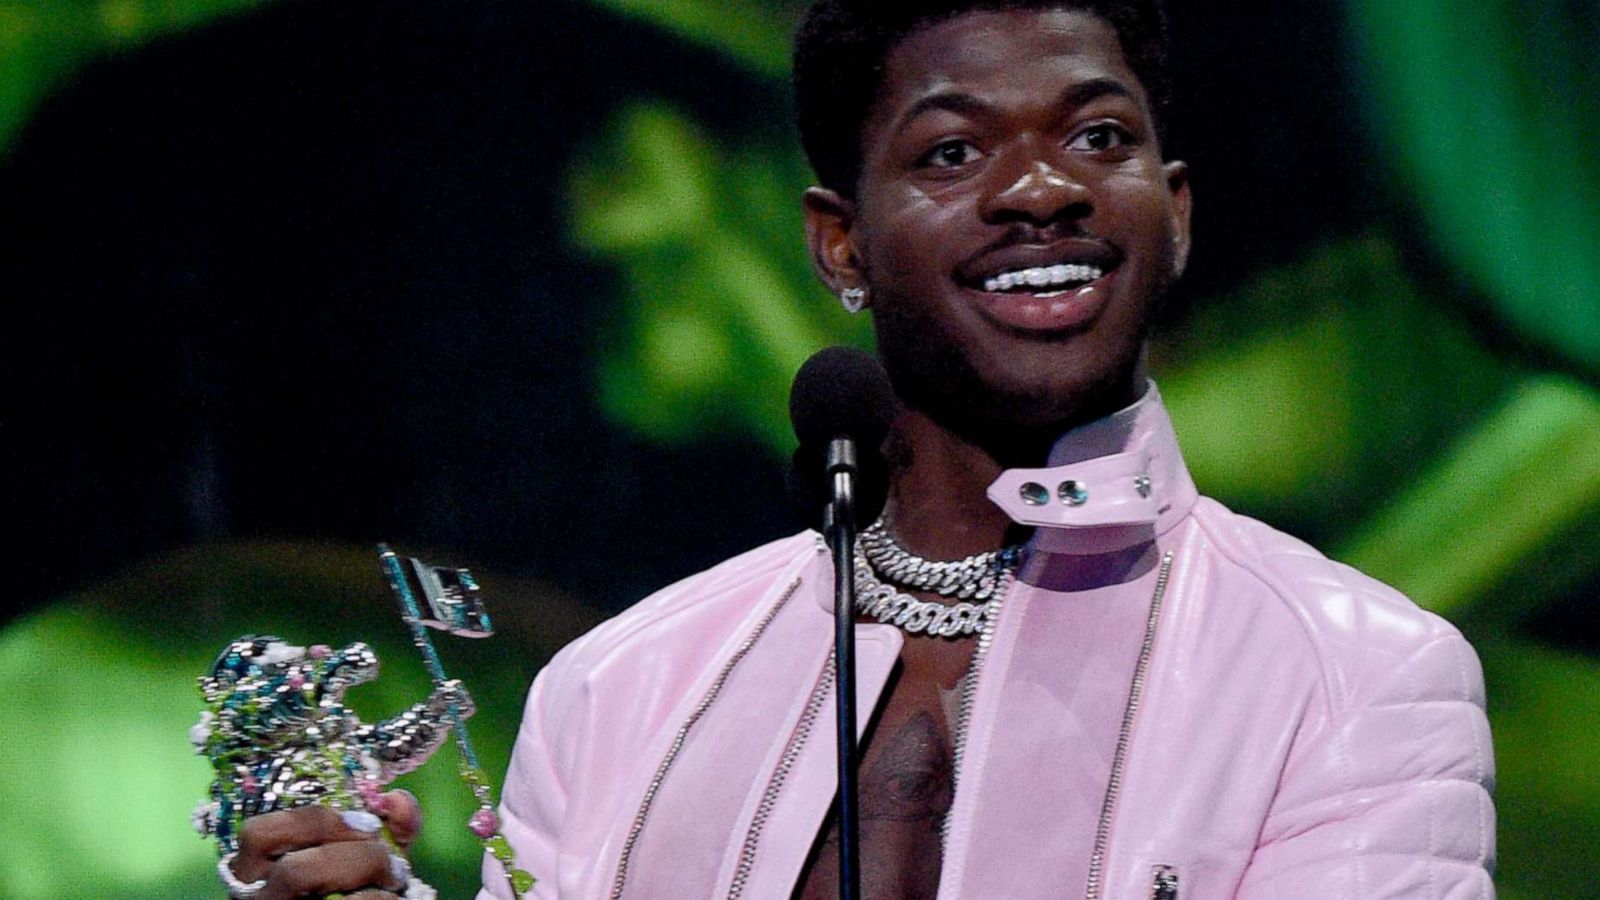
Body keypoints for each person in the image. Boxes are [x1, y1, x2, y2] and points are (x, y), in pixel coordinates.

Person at [228, 1, 1496, 897]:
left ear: (1171, 215)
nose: (1040, 185)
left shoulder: (1353, 680)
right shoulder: (618, 691)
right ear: (840, 244)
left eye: (1098, 137)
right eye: (952, 151)